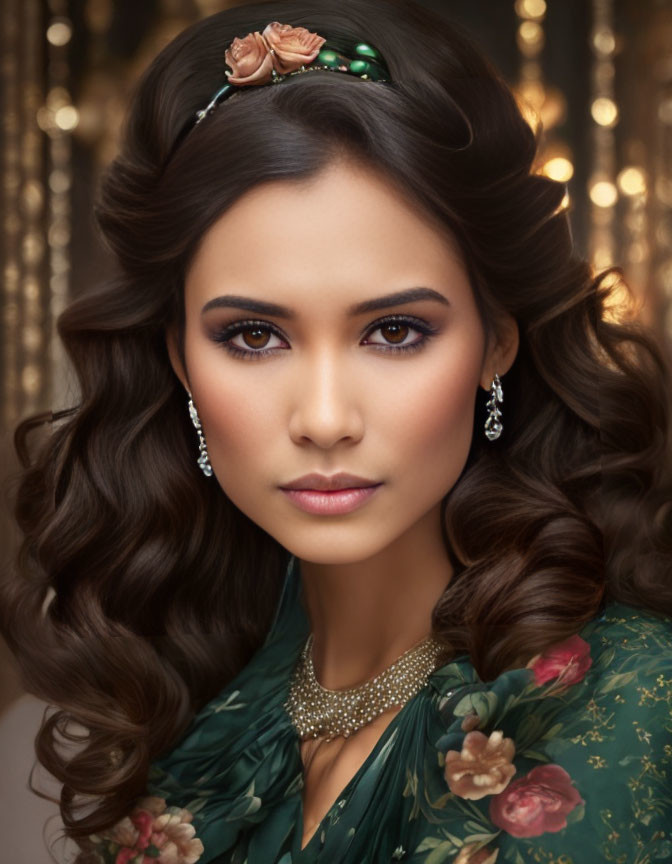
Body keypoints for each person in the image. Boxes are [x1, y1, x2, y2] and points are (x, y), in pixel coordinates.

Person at [2, 0, 671, 861]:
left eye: (394, 331)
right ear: (178, 359)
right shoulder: (196, 707)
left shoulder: (631, 709)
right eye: (253, 336)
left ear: (496, 341)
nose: (323, 419)